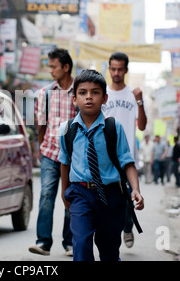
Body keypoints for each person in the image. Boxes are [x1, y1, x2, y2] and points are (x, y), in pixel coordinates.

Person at [59, 69, 144, 261]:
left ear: (104, 98)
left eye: (95, 92)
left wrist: (135, 190)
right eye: (82, 92)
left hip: (110, 196)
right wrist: (65, 195)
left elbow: (127, 162)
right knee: (80, 247)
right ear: (74, 99)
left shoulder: (114, 127)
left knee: (109, 251)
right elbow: (64, 163)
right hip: (80, 194)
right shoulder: (66, 130)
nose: (89, 97)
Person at [28, 48, 77, 256]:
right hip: (49, 152)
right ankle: (43, 242)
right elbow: (41, 125)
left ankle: (70, 243)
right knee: (46, 195)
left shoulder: (80, 92)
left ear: (66, 68)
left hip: (74, 157)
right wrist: (41, 148)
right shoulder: (45, 93)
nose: (50, 71)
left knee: (71, 197)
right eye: (49, 66)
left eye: (53, 66)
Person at [102, 51, 147, 249]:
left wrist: (140, 100)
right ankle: (110, 236)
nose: (116, 72)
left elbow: (143, 126)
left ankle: (127, 227)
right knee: (109, 200)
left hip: (128, 155)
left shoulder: (133, 94)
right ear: (109, 69)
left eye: (120, 69)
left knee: (129, 197)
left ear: (126, 70)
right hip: (106, 156)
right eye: (113, 69)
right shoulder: (102, 94)